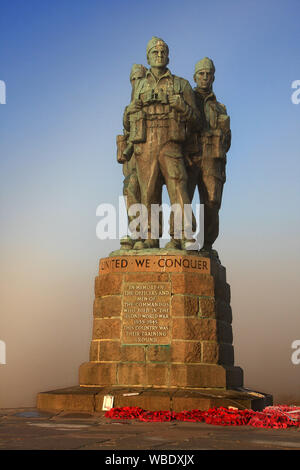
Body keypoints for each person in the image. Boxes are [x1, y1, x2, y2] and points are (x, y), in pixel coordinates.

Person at [125, 37, 200, 250]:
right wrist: (131, 110)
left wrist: (182, 107)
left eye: (162, 53)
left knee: (178, 186)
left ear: (168, 56)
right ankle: (150, 236)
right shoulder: (139, 84)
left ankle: (183, 234)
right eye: (154, 53)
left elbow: (197, 121)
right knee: (148, 190)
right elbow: (128, 118)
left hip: (170, 141)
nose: (159, 56)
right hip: (145, 140)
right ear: (148, 56)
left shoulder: (181, 84)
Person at [185, 57, 231, 256]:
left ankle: (207, 245)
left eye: (208, 74)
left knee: (212, 202)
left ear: (213, 77)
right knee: (183, 198)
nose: (204, 78)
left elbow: (227, 139)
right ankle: (182, 238)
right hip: (190, 156)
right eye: (201, 74)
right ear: (195, 76)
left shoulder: (220, 107)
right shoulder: (187, 99)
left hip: (213, 159)